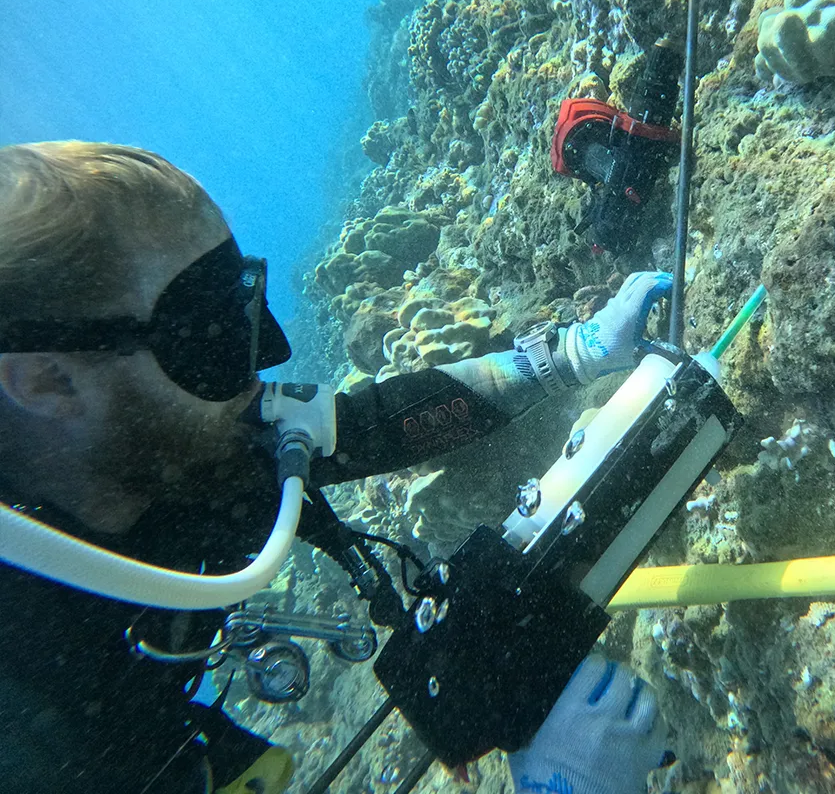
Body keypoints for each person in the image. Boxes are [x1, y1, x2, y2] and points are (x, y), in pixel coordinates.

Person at [0, 141, 670, 793]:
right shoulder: (25, 733)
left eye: (241, 300)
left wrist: (570, 355)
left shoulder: (164, 445)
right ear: (47, 382)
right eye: (203, 326)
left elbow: (373, 425)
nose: (270, 355)